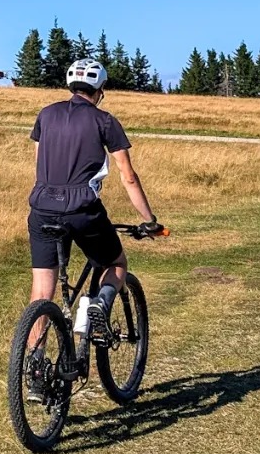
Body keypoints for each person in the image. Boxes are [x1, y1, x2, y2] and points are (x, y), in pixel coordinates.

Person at [27, 57, 161, 349]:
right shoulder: (104, 121)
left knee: (41, 290)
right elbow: (129, 177)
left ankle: (34, 367)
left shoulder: (46, 115)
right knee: (115, 262)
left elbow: (39, 163)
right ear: (100, 89)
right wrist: (150, 220)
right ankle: (99, 304)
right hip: (82, 211)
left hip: (41, 208)